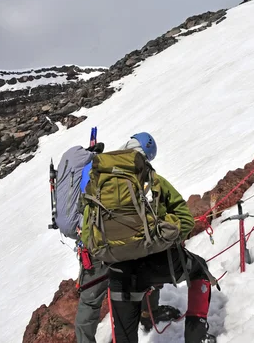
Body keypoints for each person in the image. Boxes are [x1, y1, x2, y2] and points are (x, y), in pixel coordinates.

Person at [87, 133, 218, 343]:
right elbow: (186, 220)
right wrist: (164, 237)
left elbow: (88, 234)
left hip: (119, 272)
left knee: (125, 337)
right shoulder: (154, 181)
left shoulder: (98, 188)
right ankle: (196, 337)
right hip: (159, 263)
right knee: (199, 269)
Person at [72, 140, 181, 343]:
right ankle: (148, 315)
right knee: (145, 273)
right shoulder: (140, 175)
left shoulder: (100, 167)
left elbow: (85, 210)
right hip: (128, 245)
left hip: (99, 243)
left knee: (92, 300)